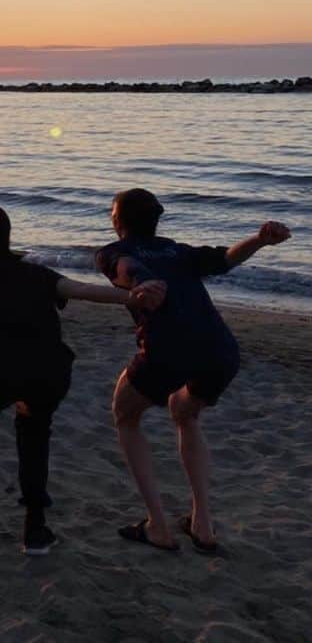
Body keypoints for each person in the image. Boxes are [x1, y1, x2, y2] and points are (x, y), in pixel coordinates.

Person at [0, 206, 162, 558]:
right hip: (46, 370)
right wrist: (129, 295)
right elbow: (82, 289)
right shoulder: (37, 274)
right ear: (8, 238)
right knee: (34, 431)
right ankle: (35, 530)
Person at [97, 188, 291, 554]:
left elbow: (126, 268)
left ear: (117, 221)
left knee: (125, 414)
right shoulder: (176, 249)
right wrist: (260, 239)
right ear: (156, 219)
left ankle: (158, 526)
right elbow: (226, 259)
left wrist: (140, 282)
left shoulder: (111, 251)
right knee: (184, 413)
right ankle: (202, 523)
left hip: (170, 351)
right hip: (220, 350)